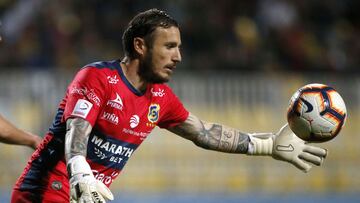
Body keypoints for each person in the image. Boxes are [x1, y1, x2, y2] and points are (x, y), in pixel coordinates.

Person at [11, 8, 327, 203]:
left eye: (179, 47)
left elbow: (203, 133)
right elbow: (77, 129)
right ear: (140, 45)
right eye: (169, 47)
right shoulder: (96, 77)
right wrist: (80, 172)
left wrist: (267, 145)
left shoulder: (160, 98)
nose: (178, 57)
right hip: (45, 191)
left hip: (88, 196)